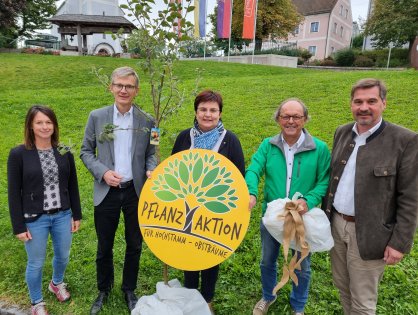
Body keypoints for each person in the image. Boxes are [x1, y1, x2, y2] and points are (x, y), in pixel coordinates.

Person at [322, 78, 418, 315]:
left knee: (363, 300)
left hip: (371, 234)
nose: (364, 107)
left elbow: (411, 197)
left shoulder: (404, 140)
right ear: (351, 104)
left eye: (371, 101)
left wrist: (399, 243)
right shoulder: (342, 132)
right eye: (358, 101)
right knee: (343, 288)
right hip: (337, 225)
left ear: (383, 103)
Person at [80, 66, 157, 314]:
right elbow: (85, 151)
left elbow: (152, 153)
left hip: (135, 191)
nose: (124, 90)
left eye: (129, 86)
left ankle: (129, 289)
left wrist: (150, 169)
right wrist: (102, 172)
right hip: (107, 191)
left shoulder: (148, 121)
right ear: (111, 87)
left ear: (136, 90)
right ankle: (103, 289)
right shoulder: (97, 117)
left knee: (135, 243)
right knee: (105, 244)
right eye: (119, 85)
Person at [246, 98, 331, 315]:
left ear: (304, 119)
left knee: (301, 264)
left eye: (296, 117)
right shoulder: (268, 145)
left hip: (302, 218)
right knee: (267, 260)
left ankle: (298, 306)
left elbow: (324, 180)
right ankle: (268, 296)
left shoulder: (319, 148)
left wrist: (308, 200)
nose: (290, 121)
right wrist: (251, 191)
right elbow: (254, 169)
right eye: (285, 116)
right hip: (272, 217)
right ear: (278, 119)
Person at [171, 90, 245, 314]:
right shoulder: (185, 137)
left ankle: (208, 299)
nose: (208, 114)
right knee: (189, 251)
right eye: (203, 109)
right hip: (187, 207)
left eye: (213, 110)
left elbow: (239, 176)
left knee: (211, 254)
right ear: (196, 111)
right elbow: (173, 169)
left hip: (216, 210)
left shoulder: (230, 140)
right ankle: (190, 293)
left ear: (220, 113)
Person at [7, 105, 82, 315]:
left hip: (62, 215)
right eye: (39, 122)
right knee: (36, 262)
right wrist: (18, 226)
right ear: (31, 125)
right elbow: (13, 193)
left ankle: (56, 283)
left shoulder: (64, 151)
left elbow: (72, 185)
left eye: (48, 122)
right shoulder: (18, 154)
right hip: (34, 218)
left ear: (54, 125)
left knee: (63, 255)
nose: (44, 126)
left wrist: (76, 213)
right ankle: (36, 302)